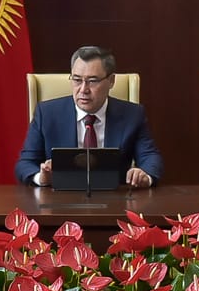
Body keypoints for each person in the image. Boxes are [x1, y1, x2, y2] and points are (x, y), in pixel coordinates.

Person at [16, 46, 163, 188]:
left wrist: (144, 175)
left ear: (111, 81)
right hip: (60, 197)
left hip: (115, 197)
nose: (83, 89)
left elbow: (150, 157)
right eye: (77, 80)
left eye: (92, 81)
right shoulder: (46, 113)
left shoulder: (133, 114)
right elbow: (25, 164)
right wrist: (41, 178)